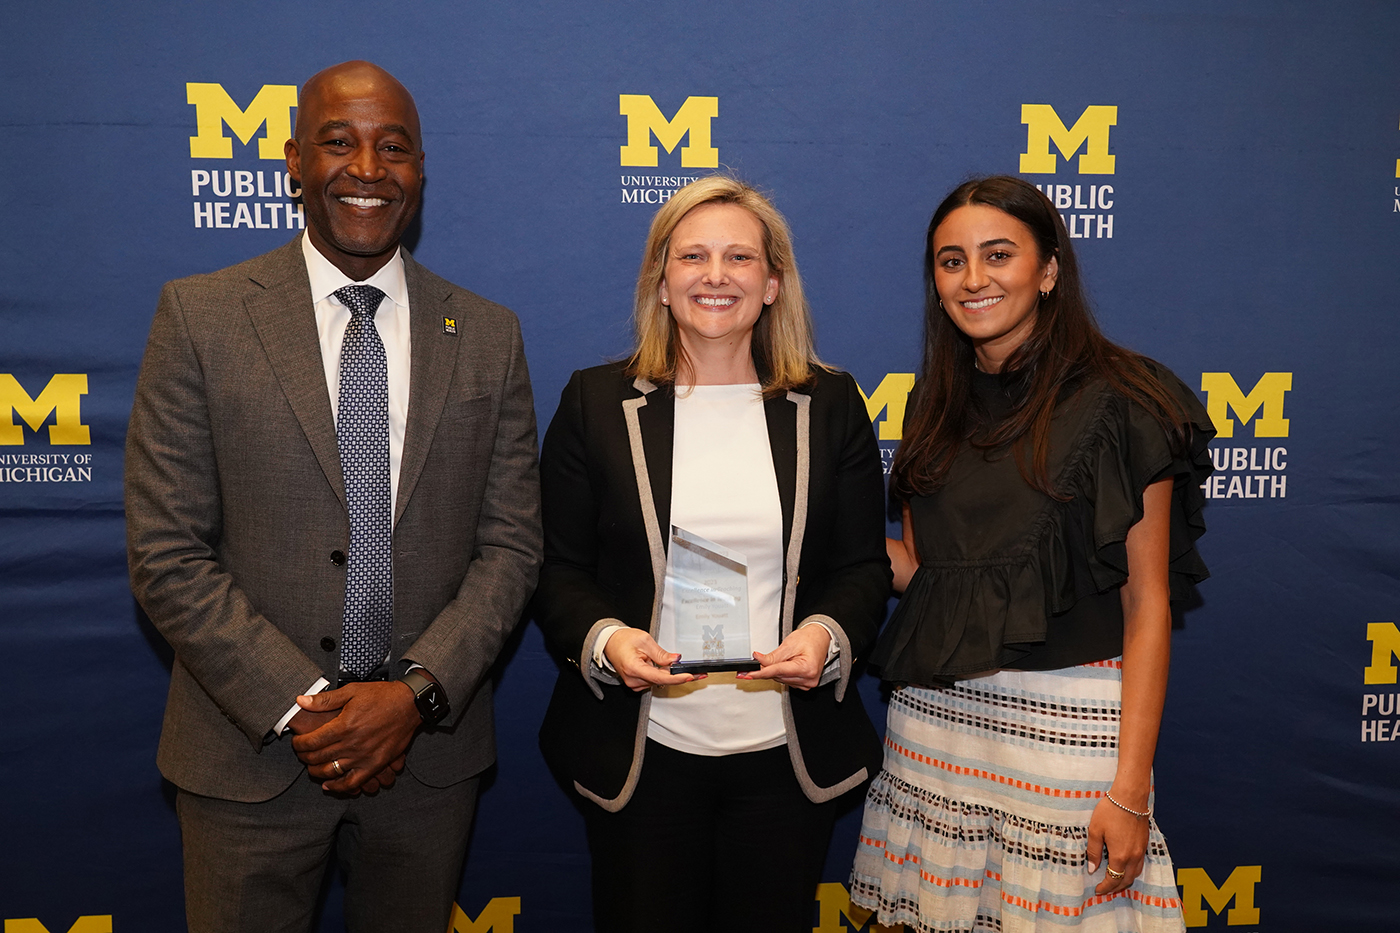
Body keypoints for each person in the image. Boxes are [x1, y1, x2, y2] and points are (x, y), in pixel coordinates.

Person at [125, 61, 541, 933]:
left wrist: (414, 695)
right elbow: (167, 552)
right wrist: (306, 708)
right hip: (250, 757)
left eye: (393, 147)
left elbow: (511, 548)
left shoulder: (489, 333)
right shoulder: (201, 317)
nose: (367, 168)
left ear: (420, 170)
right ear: (291, 162)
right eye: (338, 142)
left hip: (426, 760)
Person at [849, 176, 1213, 931]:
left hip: (1068, 745)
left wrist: (1130, 787)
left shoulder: (1127, 400)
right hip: (936, 732)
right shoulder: (931, 405)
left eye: (998, 254)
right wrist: (793, 545)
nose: (974, 278)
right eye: (952, 261)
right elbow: (926, 575)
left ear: (1049, 270)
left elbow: (1147, 605)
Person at [533, 175, 891, 932]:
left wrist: (826, 637)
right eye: (693, 256)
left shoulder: (829, 403)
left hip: (784, 758)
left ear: (772, 283)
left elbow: (862, 566)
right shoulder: (596, 402)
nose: (716, 274)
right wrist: (607, 638)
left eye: (739, 257)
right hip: (644, 751)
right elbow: (557, 569)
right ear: (662, 282)